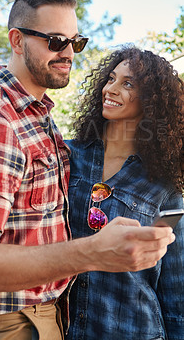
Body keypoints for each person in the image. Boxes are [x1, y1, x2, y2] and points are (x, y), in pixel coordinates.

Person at [0, 0, 175, 340]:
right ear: (17, 40)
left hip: (50, 318)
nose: (69, 53)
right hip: (7, 323)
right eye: (56, 41)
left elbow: (20, 219)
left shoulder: (39, 118)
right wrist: (92, 252)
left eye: (76, 42)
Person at [65, 47, 184, 340]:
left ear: (152, 102)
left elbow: (175, 289)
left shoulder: (162, 186)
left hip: (136, 331)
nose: (111, 89)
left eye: (128, 84)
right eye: (111, 78)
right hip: (62, 330)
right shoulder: (66, 157)